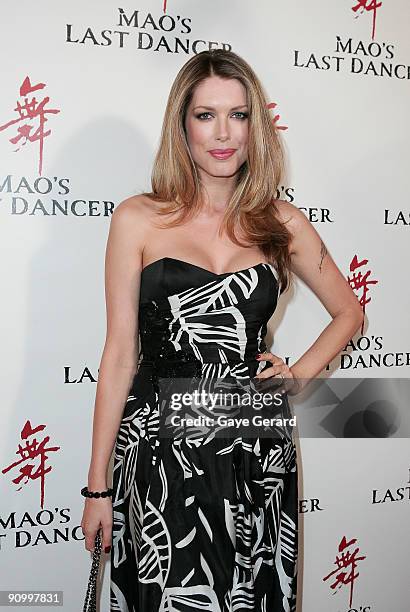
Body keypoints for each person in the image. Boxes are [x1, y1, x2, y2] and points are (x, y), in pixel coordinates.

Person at [81, 49, 363, 612]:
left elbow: (349, 313)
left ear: (256, 126)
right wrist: (97, 488)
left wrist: (298, 374)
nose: (223, 133)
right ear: (181, 125)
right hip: (160, 449)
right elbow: (118, 355)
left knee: (248, 593)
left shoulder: (282, 222)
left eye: (238, 115)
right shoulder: (137, 218)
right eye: (206, 115)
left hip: (255, 447)